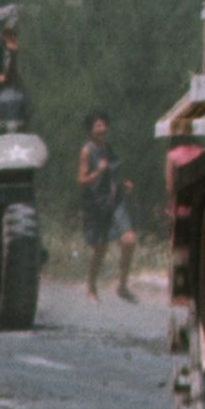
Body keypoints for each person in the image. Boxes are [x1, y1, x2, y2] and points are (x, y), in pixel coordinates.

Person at [77, 112, 136, 300]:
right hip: (97, 204)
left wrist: (125, 183)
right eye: (98, 126)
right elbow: (81, 180)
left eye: (104, 125)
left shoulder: (109, 149)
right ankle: (91, 286)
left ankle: (123, 285)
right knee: (101, 248)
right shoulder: (87, 151)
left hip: (115, 200)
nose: (102, 129)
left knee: (129, 240)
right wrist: (97, 172)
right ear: (90, 130)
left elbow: (114, 173)